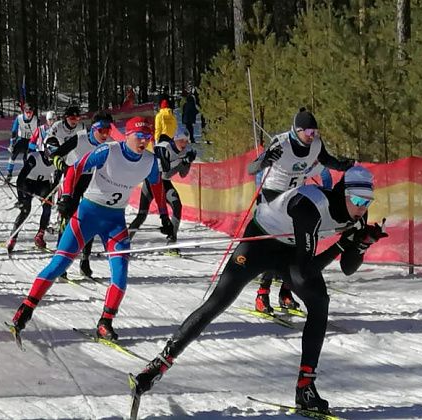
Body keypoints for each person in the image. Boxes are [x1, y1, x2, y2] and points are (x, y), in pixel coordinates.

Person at [131, 166, 386, 414]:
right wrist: (342, 245)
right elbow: (309, 269)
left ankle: (305, 387)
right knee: (220, 300)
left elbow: (348, 268)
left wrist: (361, 245)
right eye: (356, 199)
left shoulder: (358, 215)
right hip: (261, 242)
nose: (362, 206)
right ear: (343, 193)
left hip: (291, 250)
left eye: (367, 200)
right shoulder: (311, 206)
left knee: (320, 301)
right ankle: (158, 366)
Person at [10, 117, 173, 341]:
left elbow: (156, 186)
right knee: (60, 263)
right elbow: (75, 169)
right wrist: (67, 196)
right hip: (88, 214)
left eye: (147, 137)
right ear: (127, 135)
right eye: (139, 136)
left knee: (120, 275)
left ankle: (105, 322)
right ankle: (26, 308)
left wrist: (164, 215)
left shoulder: (149, 161)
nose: (144, 141)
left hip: (115, 221)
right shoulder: (109, 151)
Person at [247, 107, 355, 314]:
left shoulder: (315, 144)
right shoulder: (281, 143)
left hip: (295, 196)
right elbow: (252, 169)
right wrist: (266, 159)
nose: (312, 137)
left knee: (298, 243)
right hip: (273, 196)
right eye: (309, 133)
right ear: (297, 130)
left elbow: (327, 160)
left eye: (315, 133)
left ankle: (286, 292)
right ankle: (263, 292)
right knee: (275, 244)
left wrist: (345, 166)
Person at [49, 110, 114, 279]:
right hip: (73, 181)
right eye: (102, 130)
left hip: (92, 182)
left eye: (109, 130)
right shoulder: (80, 138)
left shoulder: (109, 144)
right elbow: (55, 154)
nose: (106, 134)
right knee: (68, 220)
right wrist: (63, 167)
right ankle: (60, 262)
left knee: (89, 221)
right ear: (94, 129)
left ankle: (85, 261)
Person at [128, 128, 196, 255]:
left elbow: (182, 174)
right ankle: (124, 242)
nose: (184, 144)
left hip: (164, 183)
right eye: (181, 141)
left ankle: (172, 241)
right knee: (142, 215)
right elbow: (165, 172)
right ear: (175, 139)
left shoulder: (185, 151)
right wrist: (182, 161)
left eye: (186, 141)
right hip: (153, 182)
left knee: (177, 205)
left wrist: (188, 163)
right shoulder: (164, 148)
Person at [6, 141, 59, 252]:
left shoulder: (57, 160)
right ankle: (13, 237)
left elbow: (57, 179)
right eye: (50, 149)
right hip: (27, 183)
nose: (52, 152)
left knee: (47, 207)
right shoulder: (35, 158)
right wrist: (21, 198)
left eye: (55, 150)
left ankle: (40, 235)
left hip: (43, 185)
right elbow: (20, 179)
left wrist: (53, 188)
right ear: (45, 148)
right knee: (25, 210)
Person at [7, 103, 39, 182]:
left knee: (27, 158)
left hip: (31, 141)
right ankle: (9, 173)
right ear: (24, 112)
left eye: (30, 113)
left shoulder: (36, 120)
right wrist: (11, 144)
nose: (28, 115)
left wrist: (38, 144)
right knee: (13, 153)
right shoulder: (19, 118)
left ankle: (26, 175)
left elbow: (39, 133)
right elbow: (14, 131)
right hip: (21, 139)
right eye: (27, 113)